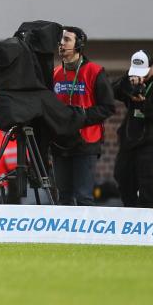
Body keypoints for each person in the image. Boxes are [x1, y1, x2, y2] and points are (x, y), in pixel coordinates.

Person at [52, 26, 115, 206]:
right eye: (60, 40)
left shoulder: (95, 72)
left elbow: (108, 107)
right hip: (60, 142)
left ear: (79, 44)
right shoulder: (54, 73)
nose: (61, 44)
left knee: (84, 197)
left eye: (66, 40)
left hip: (86, 141)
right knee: (63, 198)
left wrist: (81, 116)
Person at [112, 50, 153, 208]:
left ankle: (148, 215)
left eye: (144, 73)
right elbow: (113, 90)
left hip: (150, 139)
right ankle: (130, 210)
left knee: (147, 182)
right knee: (121, 174)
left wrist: (143, 104)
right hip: (130, 136)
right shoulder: (132, 77)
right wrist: (128, 85)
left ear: (152, 66)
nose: (142, 77)